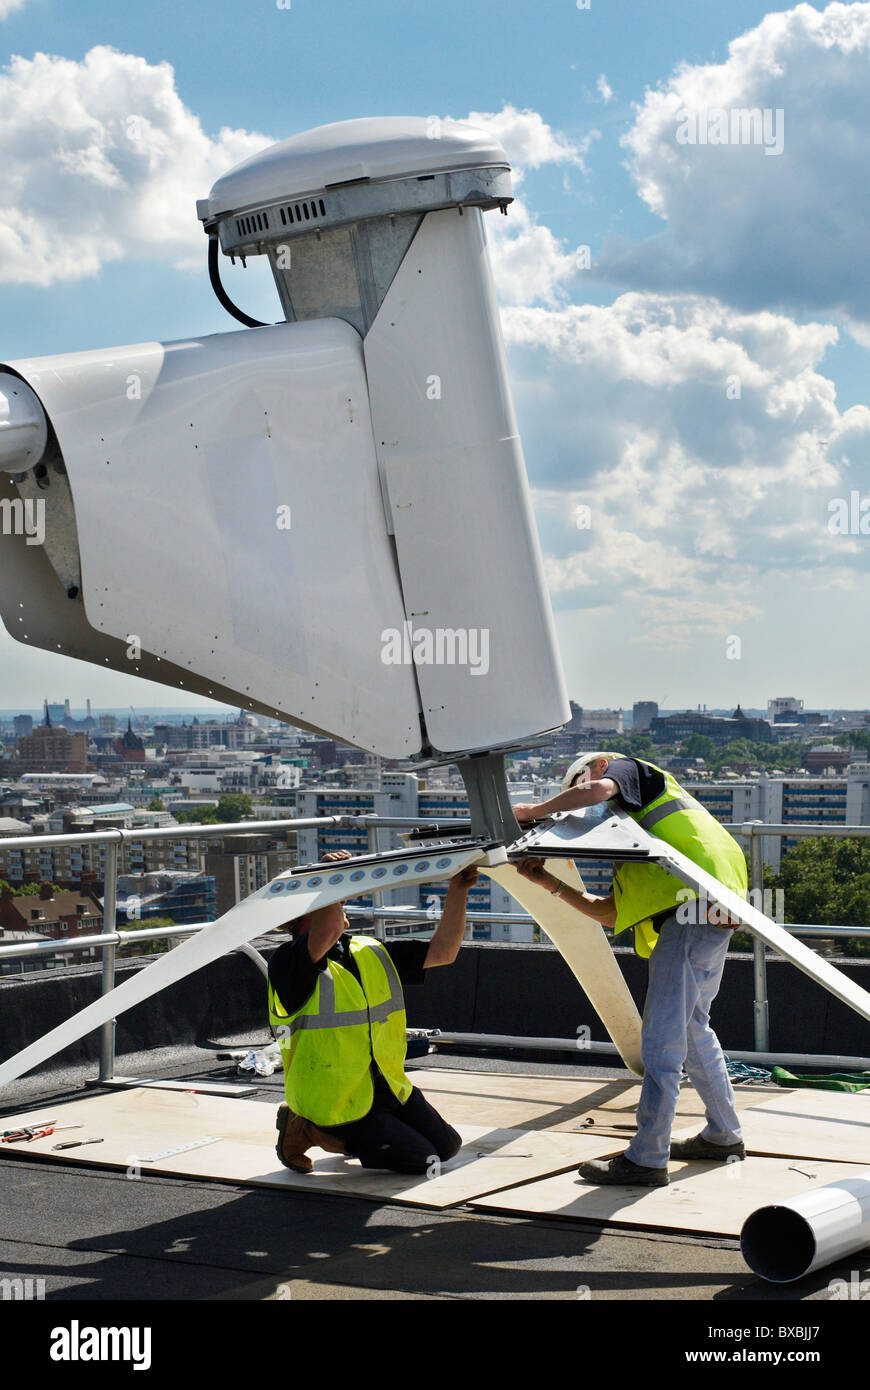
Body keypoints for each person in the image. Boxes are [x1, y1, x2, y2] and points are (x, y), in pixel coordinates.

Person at [513, 751, 748, 1187]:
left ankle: (647, 1157)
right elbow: (608, 913)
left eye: (575, 792)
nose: (584, 809)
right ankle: (723, 1135)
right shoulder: (641, 843)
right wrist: (548, 882)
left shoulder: (625, 770)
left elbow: (597, 790)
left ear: (594, 768)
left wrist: (533, 811)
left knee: (662, 1038)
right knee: (694, 1029)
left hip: (693, 907)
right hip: (710, 904)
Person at [268, 849, 477, 1175]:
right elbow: (327, 931)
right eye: (333, 899)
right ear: (302, 916)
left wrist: (458, 890)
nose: (342, 903)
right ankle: (309, 1128)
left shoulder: (369, 951)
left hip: (385, 1084)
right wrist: (327, 878)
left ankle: (375, 1127)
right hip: (335, 1100)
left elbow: (443, 951)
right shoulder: (287, 962)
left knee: (447, 1147)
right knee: (422, 1160)